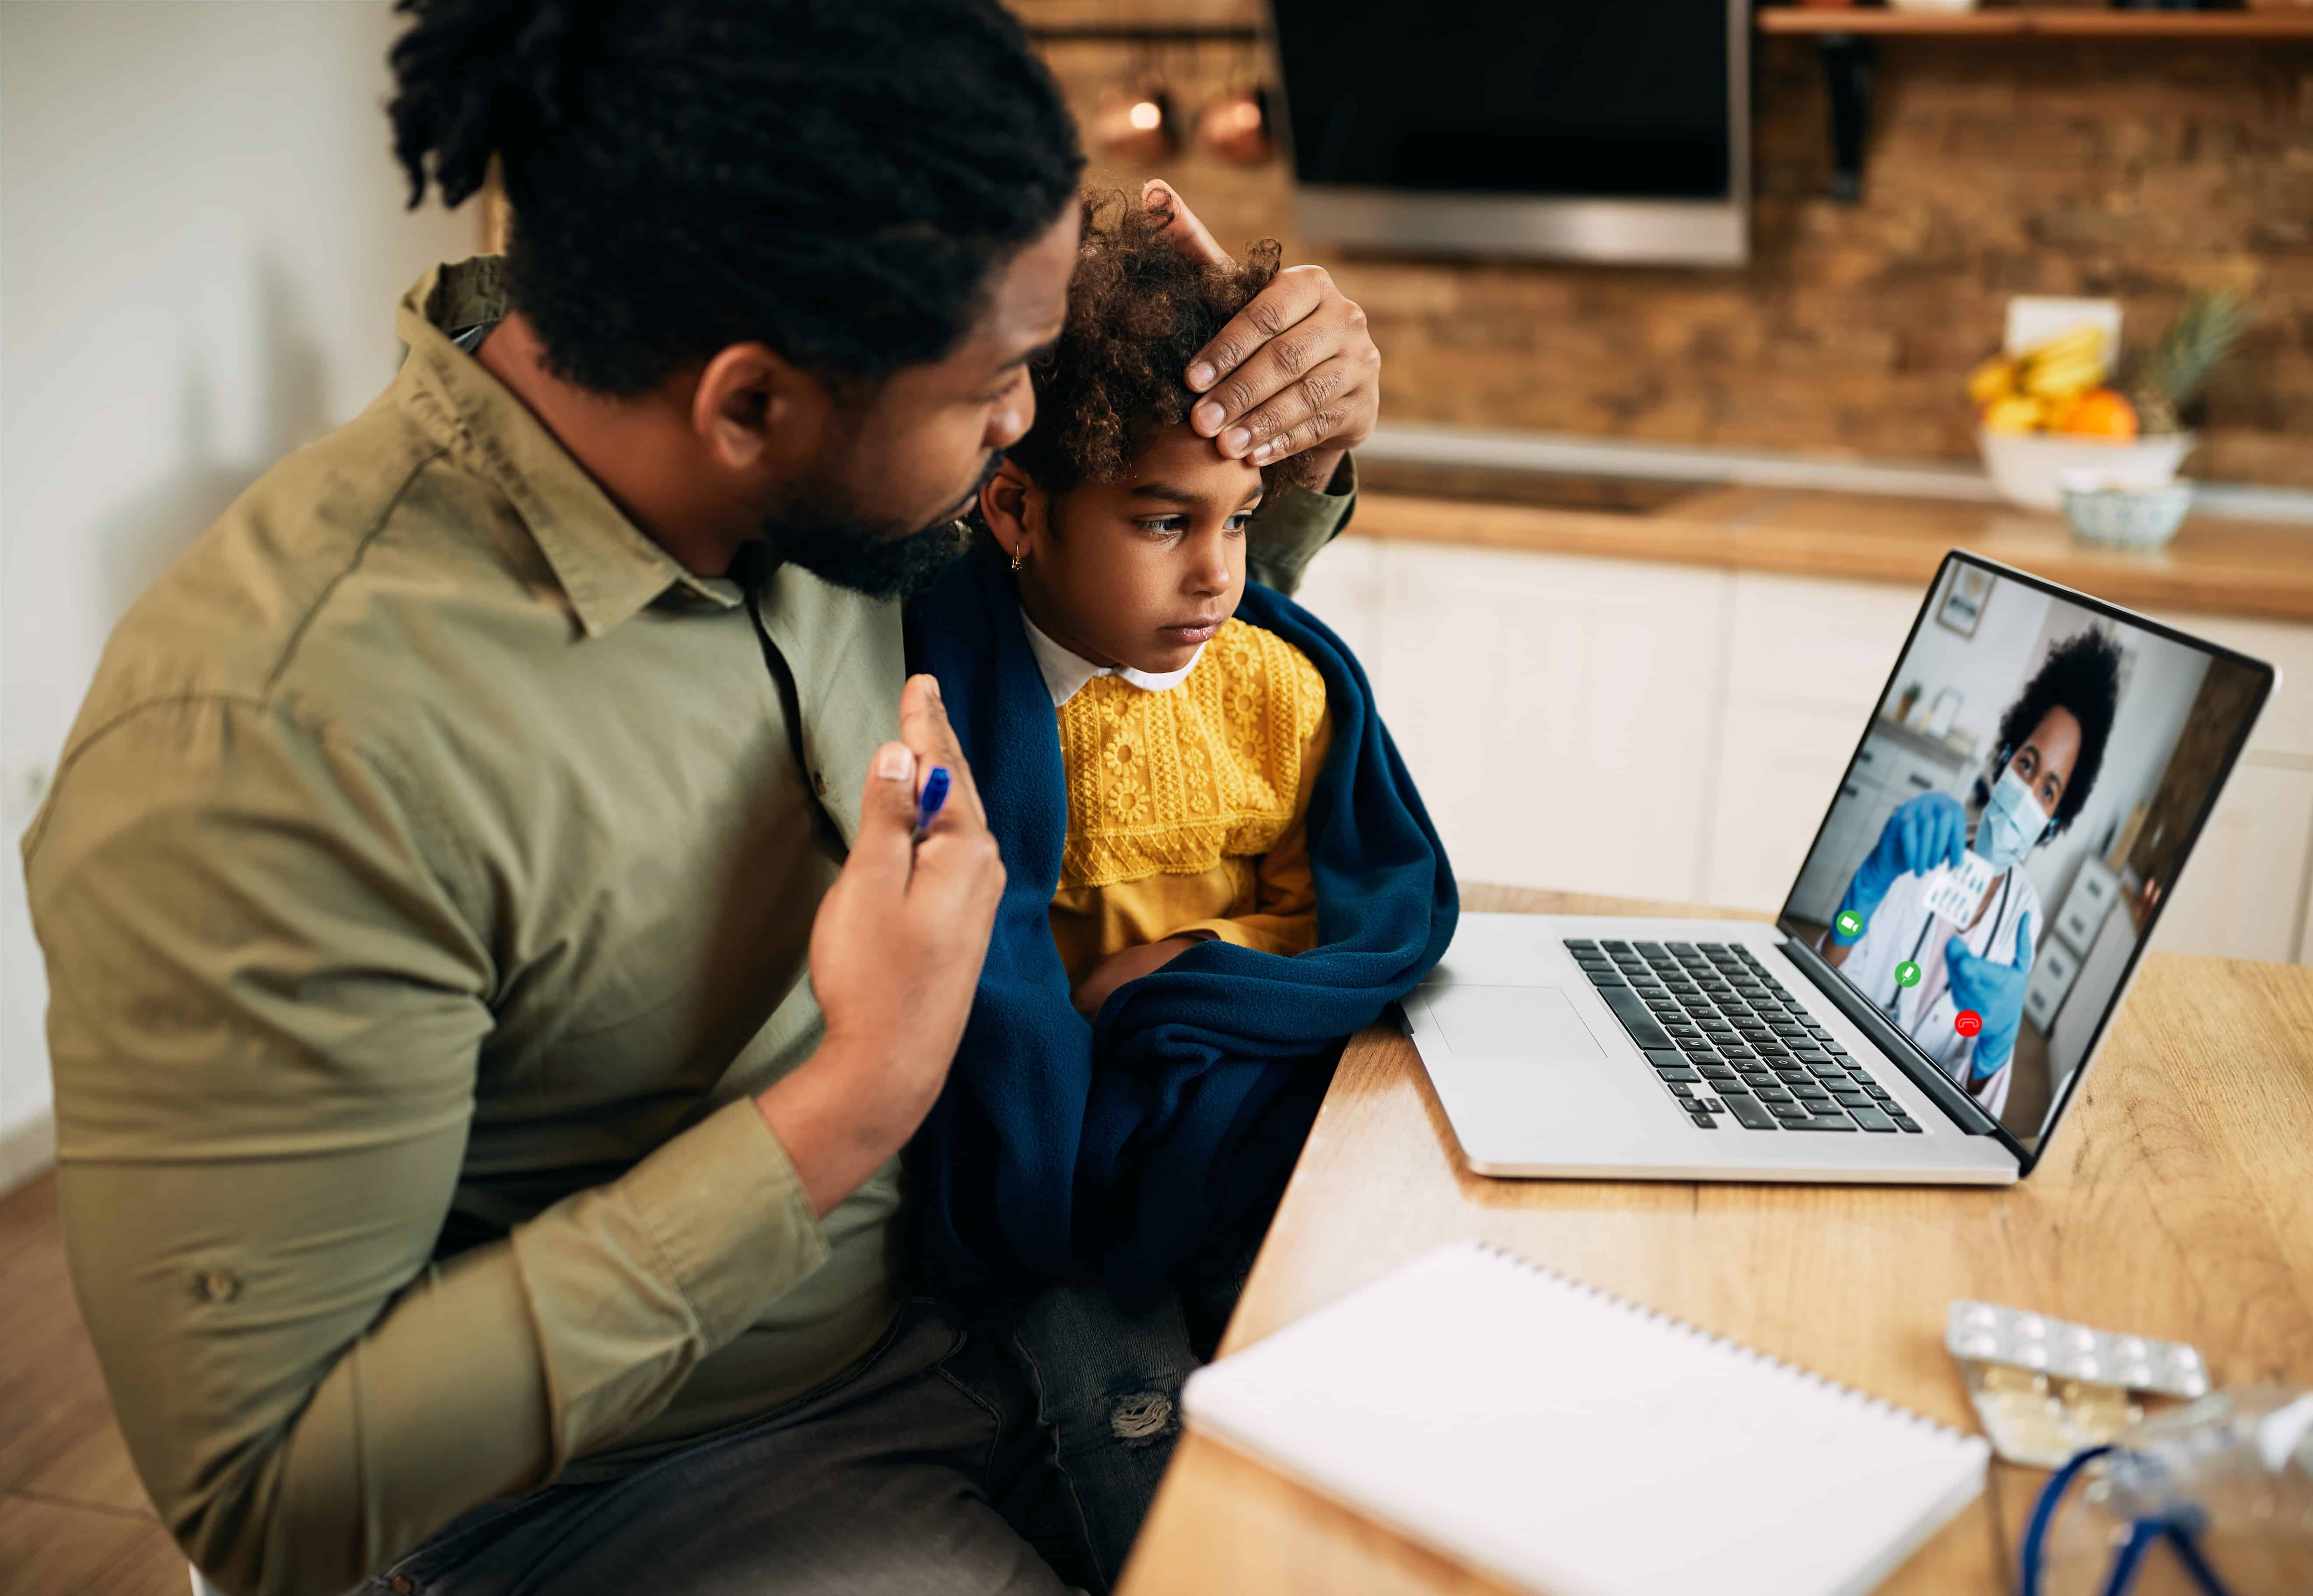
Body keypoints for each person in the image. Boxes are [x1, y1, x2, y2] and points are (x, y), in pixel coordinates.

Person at [17, 4, 1386, 1593]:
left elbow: (1098, 602)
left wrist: (1294, 425)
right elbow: (275, 1490)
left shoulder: (837, 453)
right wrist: (848, 1101)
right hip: (661, 1477)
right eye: (994, 387)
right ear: (748, 407)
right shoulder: (278, 739)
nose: (1023, 421)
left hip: (1018, 1295)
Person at [900, 198, 1456, 1578]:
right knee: (1141, 1449)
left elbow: (1336, 905)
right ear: (1015, 507)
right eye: (1164, 522)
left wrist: (1204, 968)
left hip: (1234, 1129)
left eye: (1242, 519)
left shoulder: (1277, 689)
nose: (1221, 576)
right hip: (1049, 1228)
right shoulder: (931, 695)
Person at [1820, 630, 2123, 1117]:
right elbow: (1830, 978)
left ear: (2054, 822)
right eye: (2027, 764)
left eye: (2049, 791)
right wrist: (1865, 893)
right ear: (2004, 760)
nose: (2027, 793)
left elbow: (1972, 1104)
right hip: (1837, 1069)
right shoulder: (1920, 847)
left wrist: (1994, 1047)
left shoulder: (2022, 919)